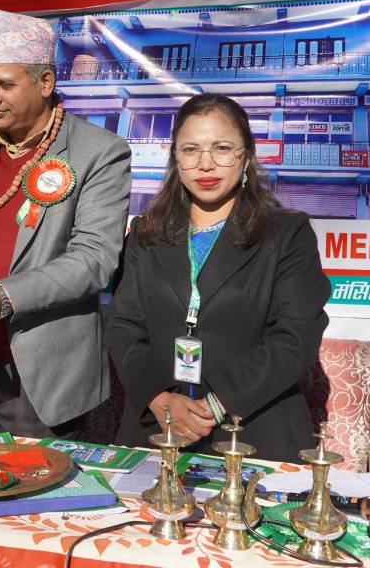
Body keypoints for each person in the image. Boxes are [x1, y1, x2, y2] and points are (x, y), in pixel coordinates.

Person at [0, 10, 131, 439]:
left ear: (45, 82)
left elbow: (94, 259)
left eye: (5, 85)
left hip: (42, 371)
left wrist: (5, 296)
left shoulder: (100, 152)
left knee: (35, 478)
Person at [105, 93, 330, 462]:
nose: (205, 164)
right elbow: (122, 326)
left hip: (253, 429)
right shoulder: (146, 233)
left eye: (222, 148)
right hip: (157, 427)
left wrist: (215, 406)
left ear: (246, 156)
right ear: (176, 159)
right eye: (191, 150)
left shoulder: (286, 234)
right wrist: (159, 398)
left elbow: (295, 337)